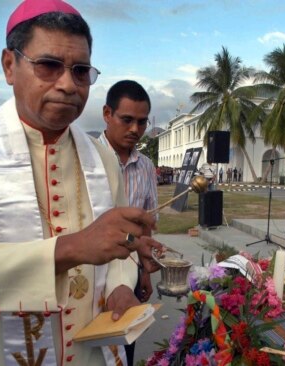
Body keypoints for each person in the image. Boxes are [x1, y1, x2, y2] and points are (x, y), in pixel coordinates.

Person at [0, 1, 159, 365]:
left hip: (91, 353)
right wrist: (75, 247)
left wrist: (120, 286)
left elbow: (118, 250)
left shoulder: (101, 158)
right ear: (9, 66)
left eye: (80, 71)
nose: (67, 84)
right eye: (48, 66)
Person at [99, 80, 162, 365]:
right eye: (126, 120)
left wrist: (145, 272)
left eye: (142, 122)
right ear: (106, 114)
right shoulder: (86, 158)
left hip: (132, 272)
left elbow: (147, 222)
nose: (135, 129)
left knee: (125, 346)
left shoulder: (146, 165)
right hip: (91, 274)